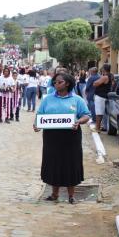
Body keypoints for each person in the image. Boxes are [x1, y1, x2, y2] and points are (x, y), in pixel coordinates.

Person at [33, 73, 90, 204]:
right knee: (53, 163)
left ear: (67, 83)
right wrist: (37, 125)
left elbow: (86, 115)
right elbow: (40, 114)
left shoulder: (77, 100)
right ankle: (54, 194)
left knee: (71, 163)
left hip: (71, 137)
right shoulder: (47, 99)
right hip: (51, 137)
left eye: (59, 82)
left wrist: (79, 121)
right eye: (55, 82)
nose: (56, 84)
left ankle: (71, 196)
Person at [93, 64, 113, 132]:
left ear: (104, 69)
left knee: (99, 113)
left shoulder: (105, 77)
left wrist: (97, 81)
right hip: (104, 96)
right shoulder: (110, 75)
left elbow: (95, 84)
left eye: (102, 68)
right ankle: (98, 127)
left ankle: (97, 128)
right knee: (101, 112)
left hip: (100, 96)